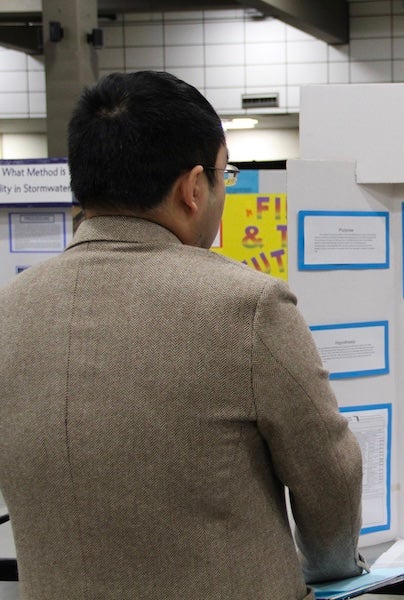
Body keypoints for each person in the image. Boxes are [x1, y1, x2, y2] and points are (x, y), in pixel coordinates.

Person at [0, 71, 366, 599]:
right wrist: (330, 568)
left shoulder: (10, 309)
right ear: (193, 188)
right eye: (226, 174)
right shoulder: (247, 306)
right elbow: (329, 474)